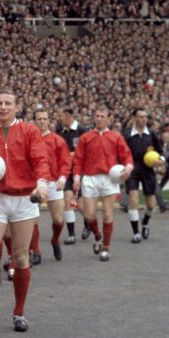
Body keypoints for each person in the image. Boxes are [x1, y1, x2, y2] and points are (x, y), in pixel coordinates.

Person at [0, 89, 50, 333]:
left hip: (23, 199)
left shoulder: (29, 131)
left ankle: (19, 312)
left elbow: (40, 160)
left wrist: (41, 184)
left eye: (8, 103)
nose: (3, 107)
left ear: (17, 106)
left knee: (20, 257)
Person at [72, 107, 133, 262]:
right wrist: (77, 177)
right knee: (89, 214)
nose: (99, 119)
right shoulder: (86, 137)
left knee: (107, 214)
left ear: (109, 119)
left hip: (109, 178)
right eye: (97, 116)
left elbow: (126, 155)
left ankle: (105, 248)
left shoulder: (116, 137)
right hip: (90, 178)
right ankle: (98, 235)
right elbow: (78, 159)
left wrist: (128, 168)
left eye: (102, 116)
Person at [34, 109, 71, 260]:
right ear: (34, 121)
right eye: (39, 119)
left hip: (54, 182)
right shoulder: (29, 140)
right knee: (32, 219)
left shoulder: (57, 140)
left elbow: (65, 161)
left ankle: (55, 240)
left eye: (44, 118)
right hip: (35, 183)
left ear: (49, 121)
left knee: (58, 219)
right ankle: (35, 252)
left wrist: (62, 178)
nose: (42, 121)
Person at [123, 108, 164, 241]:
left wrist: (160, 161)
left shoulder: (151, 135)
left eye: (146, 116)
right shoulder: (127, 135)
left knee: (151, 205)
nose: (144, 119)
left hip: (148, 170)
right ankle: (136, 233)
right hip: (132, 169)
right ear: (134, 118)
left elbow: (161, 153)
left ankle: (145, 223)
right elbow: (121, 153)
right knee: (133, 200)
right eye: (141, 116)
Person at [56, 108, 86, 244]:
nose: (60, 119)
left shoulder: (81, 130)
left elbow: (87, 149)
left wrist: (74, 154)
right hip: (65, 170)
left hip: (79, 171)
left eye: (61, 116)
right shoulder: (60, 132)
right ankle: (71, 235)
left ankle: (88, 223)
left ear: (68, 116)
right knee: (68, 200)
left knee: (80, 205)